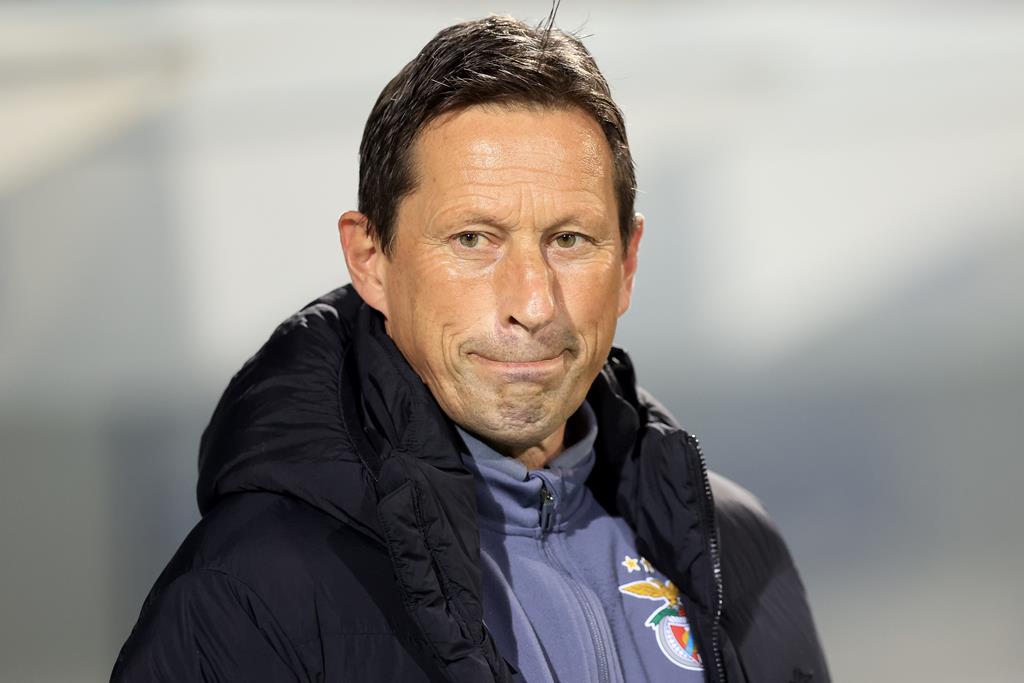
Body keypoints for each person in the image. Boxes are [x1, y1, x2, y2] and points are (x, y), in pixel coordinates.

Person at [111, 14, 829, 683]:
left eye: (569, 239)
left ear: (628, 262)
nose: (533, 303)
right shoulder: (248, 597)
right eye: (474, 239)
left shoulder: (735, 549)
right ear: (371, 259)